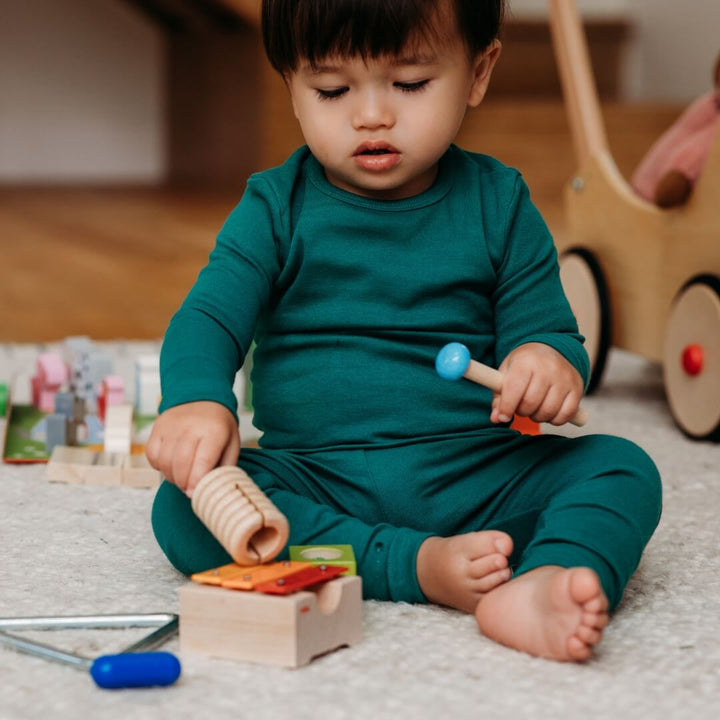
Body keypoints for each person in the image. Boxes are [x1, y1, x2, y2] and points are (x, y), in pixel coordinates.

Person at [147, 0, 662, 662]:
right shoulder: (276, 207)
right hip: (320, 478)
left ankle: (539, 581)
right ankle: (414, 566)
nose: (371, 116)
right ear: (291, 86)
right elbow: (208, 318)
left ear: (479, 73)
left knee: (622, 468)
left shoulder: (499, 202)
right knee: (184, 508)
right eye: (331, 89)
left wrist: (544, 364)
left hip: (478, 477)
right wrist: (196, 397)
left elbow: (549, 333)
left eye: (411, 84)